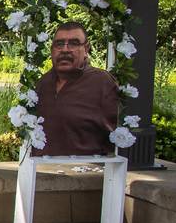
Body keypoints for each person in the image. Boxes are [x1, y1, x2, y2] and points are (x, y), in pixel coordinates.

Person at [33, 22, 118, 156]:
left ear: (86, 49)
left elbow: (117, 136)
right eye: (59, 44)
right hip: (40, 171)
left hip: (86, 171)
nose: (65, 50)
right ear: (52, 49)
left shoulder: (102, 83)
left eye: (73, 43)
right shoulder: (44, 83)